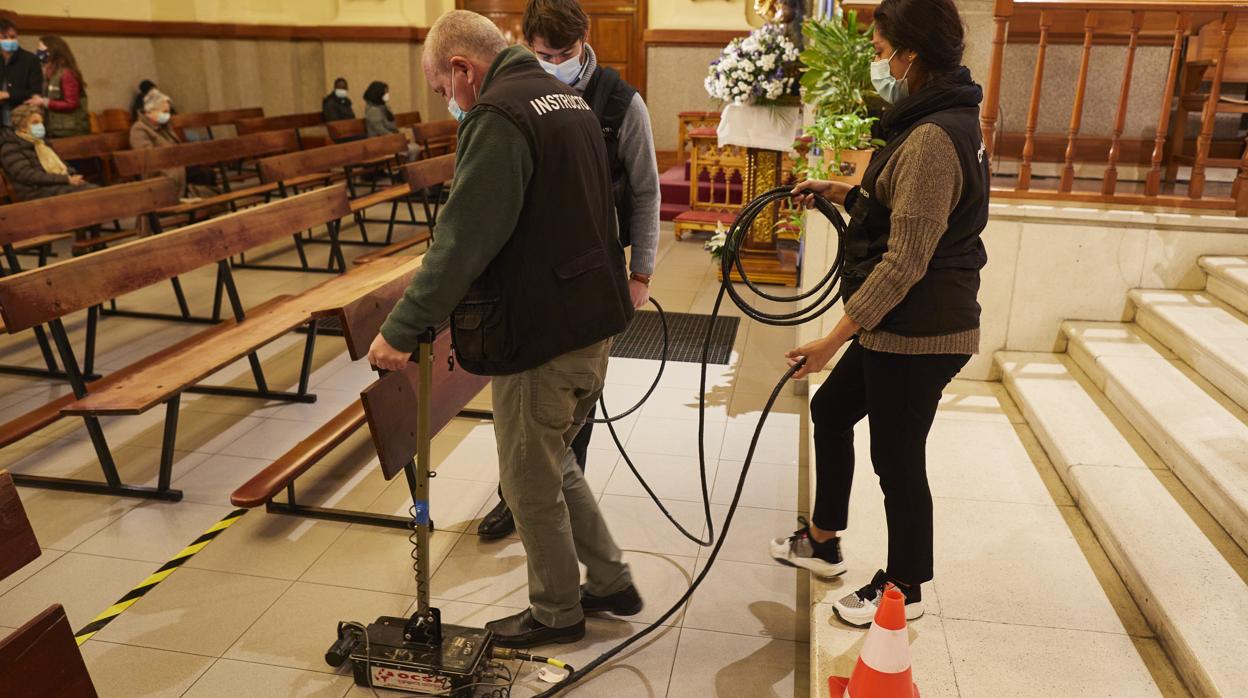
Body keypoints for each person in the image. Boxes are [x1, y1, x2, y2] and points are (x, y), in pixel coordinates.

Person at [366, 10, 639, 648]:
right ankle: (608, 578)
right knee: (550, 461)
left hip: (542, 332)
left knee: (525, 478)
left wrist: (402, 329)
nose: (449, 103)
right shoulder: (563, 100)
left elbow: (463, 240)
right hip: (589, 319)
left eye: (443, 90)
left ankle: (555, 612)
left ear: (463, 68)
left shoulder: (499, 116)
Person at [769, 0, 987, 628]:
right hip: (905, 321)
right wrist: (841, 192)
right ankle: (823, 539)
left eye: (881, 47)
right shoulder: (948, 114)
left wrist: (829, 341)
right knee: (831, 410)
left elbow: (904, 262)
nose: (878, 60)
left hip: (921, 329)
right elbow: (912, 208)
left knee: (896, 460)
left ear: (909, 53)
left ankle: (904, 588)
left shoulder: (932, 139)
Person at [477, 0, 661, 540]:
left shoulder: (622, 102)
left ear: (585, 41)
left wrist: (641, 273)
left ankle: (556, 502)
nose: (552, 62)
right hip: (528, 272)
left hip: (592, 272)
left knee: (572, 398)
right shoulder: (511, 91)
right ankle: (516, 496)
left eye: (563, 54)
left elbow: (646, 192)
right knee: (520, 393)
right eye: (541, 54)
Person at [128, 89, 217, 201]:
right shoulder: (139, 129)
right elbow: (147, 156)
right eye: (164, 112)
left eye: (168, 112)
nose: (167, 115)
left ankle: (207, 205)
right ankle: (199, 204)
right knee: (202, 174)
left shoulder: (164, 127)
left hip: (177, 165)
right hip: (162, 171)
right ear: (150, 111)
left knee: (207, 173)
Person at [0, 103, 94, 200]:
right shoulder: (10, 147)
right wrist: (66, 179)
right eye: (35, 122)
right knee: (87, 195)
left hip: (55, 185)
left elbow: (61, 163)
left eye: (41, 122)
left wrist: (72, 175)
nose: (40, 126)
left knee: (93, 191)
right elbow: (27, 175)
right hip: (35, 191)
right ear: (22, 127)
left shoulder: (41, 143)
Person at [25, 36, 89, 138]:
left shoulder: (67, 74)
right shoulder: (49, 73)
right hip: (53, 130)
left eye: (41, 49)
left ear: (52, 51)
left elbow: (72, 103)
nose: (38, 52)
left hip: (70, 132)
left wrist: (44, 102)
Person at [0, 19, 43, 128]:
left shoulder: (30, 60)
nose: (9, 40)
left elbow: (36, 92)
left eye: (13, 37)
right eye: (4, 37)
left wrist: (8, 94)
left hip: (21, 117)